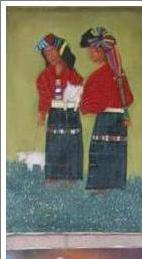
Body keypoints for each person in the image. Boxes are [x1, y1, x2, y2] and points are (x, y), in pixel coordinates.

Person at [79, 27, 134, 190]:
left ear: (104, 52)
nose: (91, 54)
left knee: (102, 156)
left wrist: (82, 104)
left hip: (105, 122)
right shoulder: (119, 73)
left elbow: (90, 105)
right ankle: (115, 189)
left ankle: (100, 191)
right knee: (116, 156)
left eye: (94, 51)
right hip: (119, 123)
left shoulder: (98, 77)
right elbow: (129, 98)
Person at [34, 33, 84, 181]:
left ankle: (72, 178)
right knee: (54, 145)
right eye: (46, 52)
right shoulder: (43, 77)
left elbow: (81, 88)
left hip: (71, 114)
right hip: (55, 114)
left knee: (72, 144)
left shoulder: (72, 73)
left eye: (52, 51)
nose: (49, 55)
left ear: (61, 51)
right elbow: (44, 98)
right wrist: (42, 113)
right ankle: (53, 177)